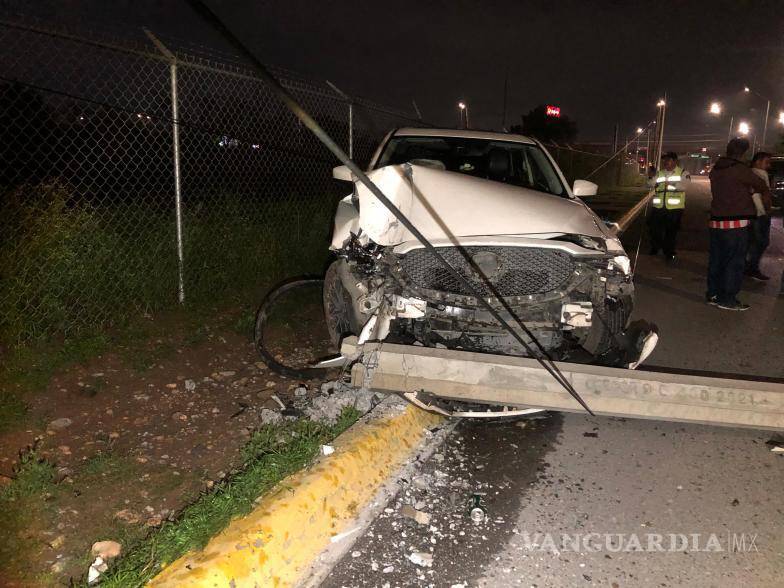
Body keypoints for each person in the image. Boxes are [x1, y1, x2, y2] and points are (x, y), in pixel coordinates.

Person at [707, 138, 771, 311]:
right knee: (734, 262)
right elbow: (760, 185)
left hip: (716, 221)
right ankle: (727, 299)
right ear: (743, 153)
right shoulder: (740, 170)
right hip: (735, 224)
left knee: (717, 260)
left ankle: (713, 294)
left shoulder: (716, 169)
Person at [648, 152, 689, 262]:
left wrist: (670, 184)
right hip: (659, 206)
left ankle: (669, 252)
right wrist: (651, 177)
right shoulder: (660, 173)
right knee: (655, 230)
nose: (665, 162)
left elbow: (684, 186)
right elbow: (651, 183)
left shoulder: (683, 173)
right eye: (665, 160)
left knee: (671, 232)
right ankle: (655, 248)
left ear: (675, 161)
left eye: (668, 160)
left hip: (675, 208)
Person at [745, 151, 773, 281]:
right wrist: (768, 210)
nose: (768, 165)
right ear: (757, 161)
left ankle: (747, 267)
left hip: (749, 213)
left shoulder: (747, 173)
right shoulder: (762, 174)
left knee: (751, 242)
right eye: (766, 162)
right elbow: (766, 195)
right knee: (762, 242)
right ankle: (752, 268)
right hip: (760, 213)